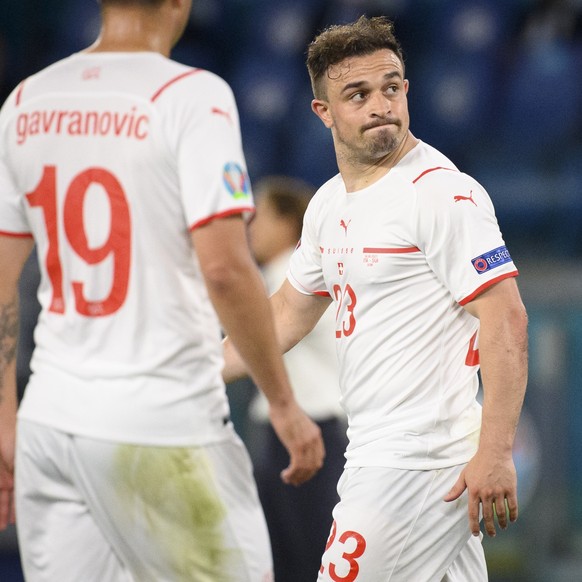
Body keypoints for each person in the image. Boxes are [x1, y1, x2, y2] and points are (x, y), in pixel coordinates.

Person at [0, 1, 325, 580]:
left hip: (49, 422)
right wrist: (281, 402)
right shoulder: (191, 96)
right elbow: (225, 270)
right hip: (158, 426)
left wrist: (4, 417)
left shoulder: (25, 101)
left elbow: (2, 280)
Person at [223, 15, 529, 581]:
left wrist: (497, 448)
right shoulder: (328, 204)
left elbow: (506, 317)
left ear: (407, 91)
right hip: (374, 452)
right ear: (323, 112)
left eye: (391, 87)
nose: (379, 104)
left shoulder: (442, 193)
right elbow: (288, 311)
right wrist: (196, 371)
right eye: (357, 94)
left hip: (418, 464)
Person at [246, 175, 348, 582]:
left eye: (260, 217)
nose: (250, 228)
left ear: (288, 223)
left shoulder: (285, 274)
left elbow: (252, 335)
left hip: (303, 430)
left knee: (299, 558)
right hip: (314, 425)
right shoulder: (303, 270)